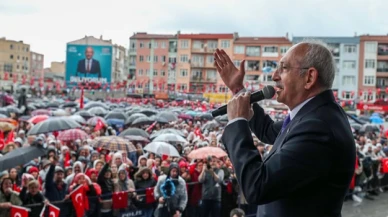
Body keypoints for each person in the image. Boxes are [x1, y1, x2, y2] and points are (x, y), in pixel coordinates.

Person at [213, 41, 355, 217]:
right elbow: (269, 130)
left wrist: (237, 122)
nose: (274, 76)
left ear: (309, 78)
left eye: (284, 68)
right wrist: (238, 90)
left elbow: (257, 186)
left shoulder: (318, 127)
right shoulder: (313, 115)